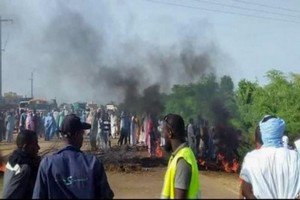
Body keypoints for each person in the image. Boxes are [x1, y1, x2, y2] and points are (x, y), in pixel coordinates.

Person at [32, 114, 114, 199]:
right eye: (82, 133)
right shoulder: (93, 163)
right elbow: (105, 195)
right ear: (77, 134)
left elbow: (38, 196)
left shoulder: (47, 164)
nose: (82, 137)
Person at [239, 115, 300, 199]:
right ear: (281, 131)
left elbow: (245, 191)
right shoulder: (295, 157)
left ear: (263, 132)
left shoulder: (251, 158)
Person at [161, 113, 200, 199]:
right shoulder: (177, 156)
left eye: (164, 132)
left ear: (170, 133)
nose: (163, 136)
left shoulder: (182, 160)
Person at [2, 129, 41, 199]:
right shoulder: (25, 168)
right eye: (35, 144)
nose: (38, 147)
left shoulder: (12, 160)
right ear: (25, 147)